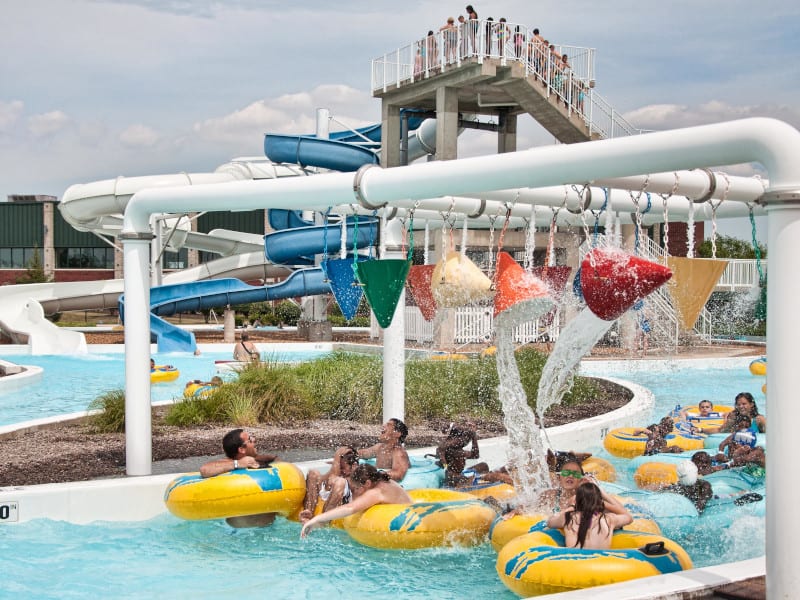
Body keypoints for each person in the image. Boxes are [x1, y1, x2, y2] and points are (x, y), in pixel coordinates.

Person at [300, 464, 412, 538]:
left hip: (407, 528)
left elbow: (350, 508)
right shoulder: (383, 479)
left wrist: (316, 519)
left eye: (357, 488)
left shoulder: (377, 492)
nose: (356, 492)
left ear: (367, 483)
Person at [199, 429, 279, 527]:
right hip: (240, 532)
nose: (254, 440)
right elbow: (204, 470)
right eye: (250, 439)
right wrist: (239, 464)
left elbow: (279, 463)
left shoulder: (259, 460)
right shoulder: (226, 464)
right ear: (241, 449)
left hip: (268, 530)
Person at [546, 481, 632, 549]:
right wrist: (603, 498)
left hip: (574, 565)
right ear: (599, 501)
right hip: (601, 565)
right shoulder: (608, 519)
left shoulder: (568, 517)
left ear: (577, 501)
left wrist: (571, 507)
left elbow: (550, 522)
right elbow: (628, 516)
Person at [298, 446, 360, 523]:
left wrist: (337, 455)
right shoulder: (336, 472)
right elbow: (326, 480)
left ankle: (322, 522)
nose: (342, 470)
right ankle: (308, 513)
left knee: (340, 482)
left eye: (343, 468)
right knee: (313, 473)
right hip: (325, 498)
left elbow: (334, 477)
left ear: (354, 466)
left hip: (337, 506)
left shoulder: (356, 477)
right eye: (340, 467)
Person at [436, 422, 484, 487]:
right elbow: (441, 450)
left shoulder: (458, 450)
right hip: (455, 477)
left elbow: (475, 455)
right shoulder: (451, 450)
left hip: (458, 474)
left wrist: (474, 436)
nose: (464, 462)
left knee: (483, 466)